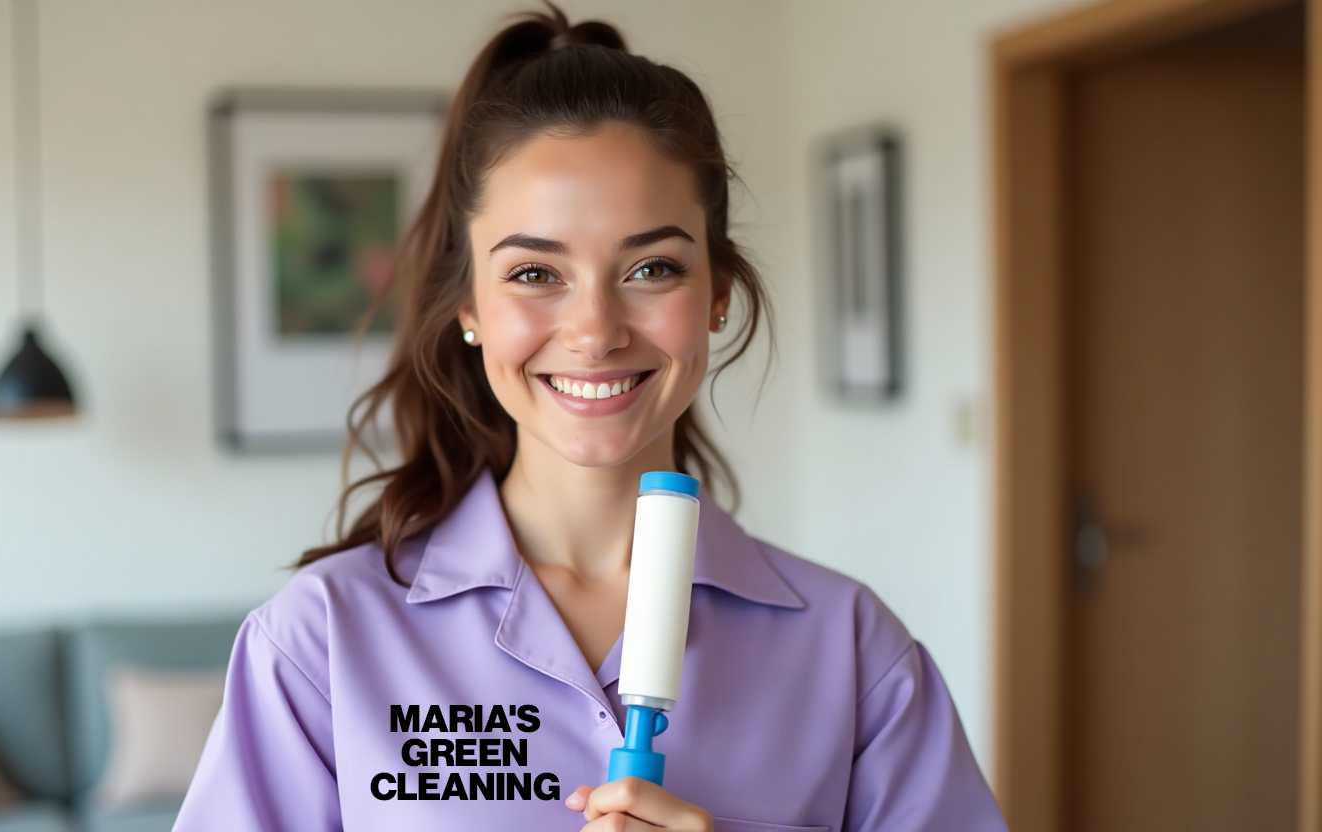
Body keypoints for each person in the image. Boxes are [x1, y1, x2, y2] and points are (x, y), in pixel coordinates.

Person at [173, 3, 1008, 830]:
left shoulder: (853, 652)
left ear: (717, 292)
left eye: (651, 267)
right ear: (469, 304)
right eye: (536, 273)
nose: (596, 332)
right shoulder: (322, 643)